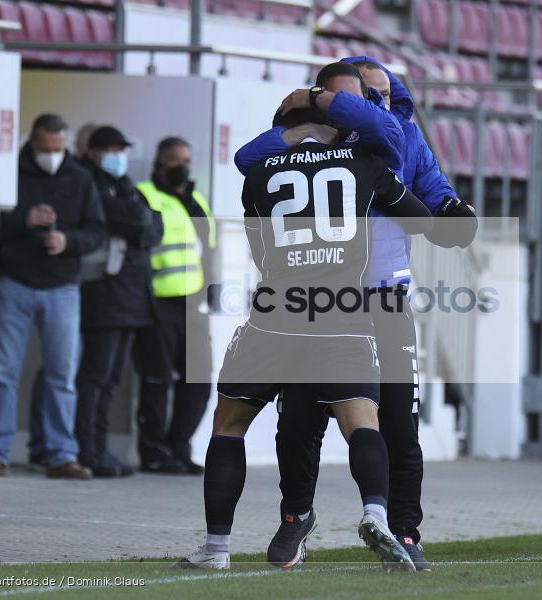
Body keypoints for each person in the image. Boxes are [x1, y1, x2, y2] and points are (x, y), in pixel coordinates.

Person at [234, 59, 476, 572]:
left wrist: (452, 208)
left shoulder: (398, 137)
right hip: (317, 306)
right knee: (299, 420)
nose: (377, 103)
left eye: (384, 93)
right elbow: (245, 157)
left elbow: (430, 186)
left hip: (384, 299)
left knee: (398, 423)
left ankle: (405, 531)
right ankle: (296, 515)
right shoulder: (306, 139)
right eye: (363, 94)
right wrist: (302, 120)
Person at [175, 105, 433, 571]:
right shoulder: (363, 165)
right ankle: (375, 513)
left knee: (229, 426)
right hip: (343, 313)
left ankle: (215, 549)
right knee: (363, 423)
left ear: (284, 130)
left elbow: (261, 252)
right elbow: (420, 218)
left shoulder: (257, 173)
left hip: (275, 314)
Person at [0, 113, 105, 479]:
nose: (52, 155)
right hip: (14, 283)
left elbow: (96, 232)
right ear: (32, 142)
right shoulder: (8, 172)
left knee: (62, 375)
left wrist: (67, 241)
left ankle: (60, 454)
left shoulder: (80, 179)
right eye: (45, 148)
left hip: (62, 287)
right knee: (3, 374)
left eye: (58, 148)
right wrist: (25, 219)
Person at [74, 125, 163, 477]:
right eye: (110, 148)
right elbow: (125, 218)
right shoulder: (89, 182)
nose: (117, 155)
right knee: (95, 377)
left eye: (120, 148)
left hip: (131, 295)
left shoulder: (125, 185)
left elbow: (153, 225)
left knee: (110, 380)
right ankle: (88, 449)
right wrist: (139, 222)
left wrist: (139, 223)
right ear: (93, 151)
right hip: (104, 294)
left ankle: (100, 448)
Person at [133, 137, 216, 474]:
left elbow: (209, 249)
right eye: (173, 160)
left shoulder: (196, 199)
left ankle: (178, 446)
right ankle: (153, 451)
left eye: (186, 159)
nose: (181, 166)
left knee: (198, 382)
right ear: (159, 161)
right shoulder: (144, 195)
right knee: (156, 380)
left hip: (193, 303)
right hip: (157, 302)